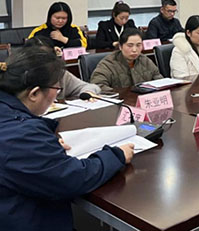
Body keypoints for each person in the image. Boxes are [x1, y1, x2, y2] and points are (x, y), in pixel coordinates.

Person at [0, 47, 133, 231]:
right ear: (34, 94)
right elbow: (73, 178)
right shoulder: (21, 136)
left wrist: (44, 144)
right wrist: (116, 155)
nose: (57, 94)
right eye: (56, 89)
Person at [24, 37, 102, 99]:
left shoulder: (59, 74)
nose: (42, 63)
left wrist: (87, 92)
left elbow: (91, 87)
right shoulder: (21, 77)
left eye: (47, 58)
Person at [90, 28, 162, 90]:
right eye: (130, 45)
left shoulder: (145, 60)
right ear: (120, 46)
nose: (134, 50)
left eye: (138, 45)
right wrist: (121, 94)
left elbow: (160, 81)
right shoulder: (108, 64)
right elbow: (98, 86)